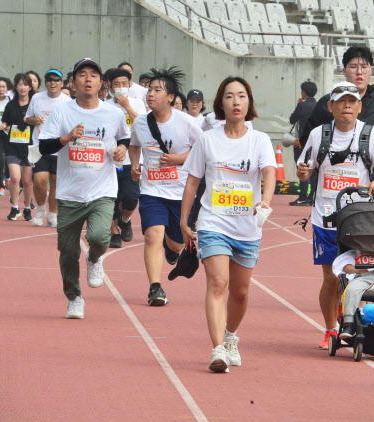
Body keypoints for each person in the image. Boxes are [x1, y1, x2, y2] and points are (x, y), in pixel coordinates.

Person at [180, 76, 276, 372]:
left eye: (242, 96)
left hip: (247, 225)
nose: (236, 102)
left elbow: (269, 173)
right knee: (218, 283)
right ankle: (217, 349)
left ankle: (231, 337)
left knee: (241, 292)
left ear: (250, 103)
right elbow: (193, 181)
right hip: (213, 222)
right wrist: (185, 221)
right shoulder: (208, 139)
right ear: (221, 103)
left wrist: (265, 201)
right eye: (230, 96)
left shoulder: (259, 140)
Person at [295, 81, 374, 350]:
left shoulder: (370, 134)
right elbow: (304, 168)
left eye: (352, 101)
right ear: (331, 106)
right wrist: (304, 173)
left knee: (358, 275)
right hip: (325, 219)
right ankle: (331, 329)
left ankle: (354, 323)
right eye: (341, 101)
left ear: (359, 106)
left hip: (358, 219)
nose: (346, 105)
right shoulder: (318, 134)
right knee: (331, 279)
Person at [38, 57, 131, 319]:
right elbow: (45, 147)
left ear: (101, 83)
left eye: (93, 75)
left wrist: (122, 148)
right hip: (69, 193)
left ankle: (94, 258)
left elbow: (123, 137)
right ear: (73, 82)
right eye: (82, 75)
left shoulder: (113, 112)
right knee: (67, 252)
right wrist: (67, 138)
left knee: (100, 238)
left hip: (102, 189)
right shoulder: (62, 112)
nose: (88, 79)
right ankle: (74, 297)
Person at [128, 67, 201, 306]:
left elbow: (203, 152)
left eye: (157, 90)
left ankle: (172, 251)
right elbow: (135, 145)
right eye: (149, 89)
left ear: (170, 97)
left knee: (177, 242)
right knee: (152, 236)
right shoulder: (140, 123)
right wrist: (135, 164)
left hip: (181, 192)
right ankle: (155, 288)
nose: (150, 93)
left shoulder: (187, 123)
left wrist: (178, 159)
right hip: (152, 191)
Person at [300, 46, 374, 151]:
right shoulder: (328, 101)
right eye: (353, 67)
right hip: (332, 164)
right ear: (344, 71)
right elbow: (306, 140)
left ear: (371, 70)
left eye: (364, 66)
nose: (359, 72)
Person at [106, 68, 147, 248]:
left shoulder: (137, 103)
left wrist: (126, 106)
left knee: (131, 198)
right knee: (112, 198)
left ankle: (125, 219)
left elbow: (142, 126)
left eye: (124, 84)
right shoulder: (105, 106)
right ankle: (114, 231)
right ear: (109, 86)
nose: (121, 88)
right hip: (111, 160)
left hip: (132, 159)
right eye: (117, 85)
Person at [26, 69, 72, 227]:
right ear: (45, 82)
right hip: (41, 146)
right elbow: (27, 118)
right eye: (50, 80)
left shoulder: (67, 101)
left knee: (55, 182)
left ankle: (53, 214)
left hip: (60, 147)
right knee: (40, 180)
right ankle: (40, 210)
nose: (53, 83)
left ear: (61, 83)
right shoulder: (37, 98)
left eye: (56, 80)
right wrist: (35, 120)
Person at [0, 73, 35, 221]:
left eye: (25, 84)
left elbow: (39, 121)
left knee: (27, 181)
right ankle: (15, 207)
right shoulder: (10, 104)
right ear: (15, 86)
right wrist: (4, 125)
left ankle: (27, 208)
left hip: (30, 147)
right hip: (12, 146)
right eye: (20, 84)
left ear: (30, 87)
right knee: (15, 178)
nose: (22, 87)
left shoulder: (34, 104)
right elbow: (6, 121)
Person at [289, 80, 317, 206]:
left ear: (304, 92)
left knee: (302, 168)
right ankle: (312, 197)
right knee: (313, 169)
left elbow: (292, 119)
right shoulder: (318, 105)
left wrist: (298, 105)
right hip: (315, 142)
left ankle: (303, 196)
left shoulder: (302, 106)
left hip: (301, 142)